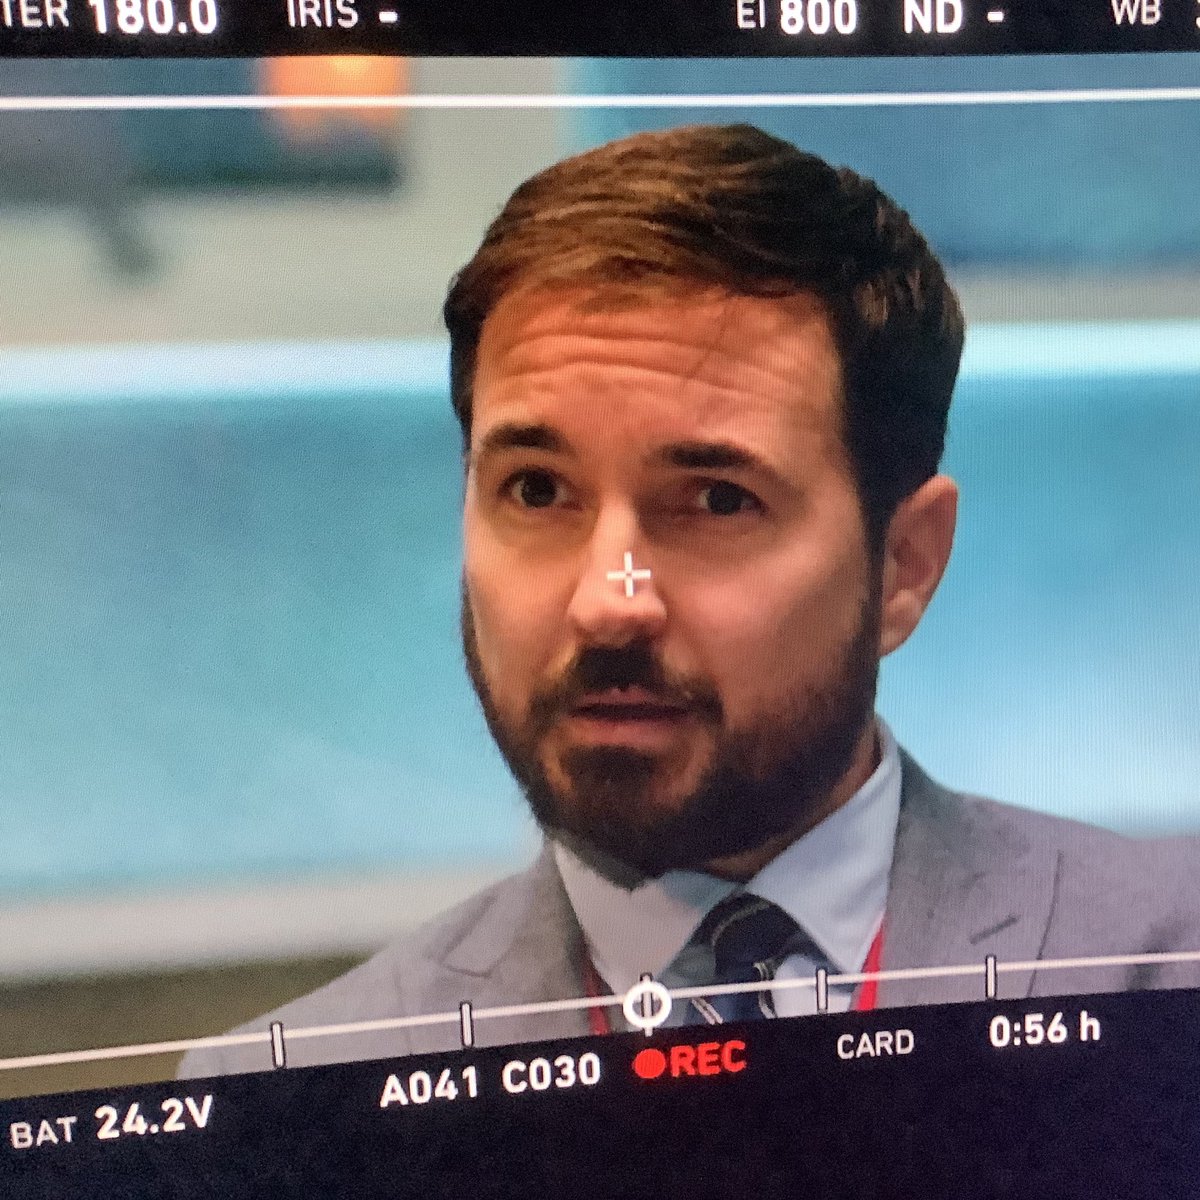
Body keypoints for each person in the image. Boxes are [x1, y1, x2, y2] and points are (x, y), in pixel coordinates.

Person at [180, 123, 1200, 1077]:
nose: (607, 604)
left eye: (716, 500)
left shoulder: (1166, 975)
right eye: (536, 490)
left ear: (904, 565)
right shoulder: (295, 1089)